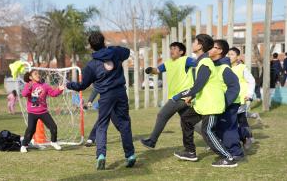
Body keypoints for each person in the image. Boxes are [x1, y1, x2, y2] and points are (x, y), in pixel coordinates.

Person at [66, 31, 136, 170]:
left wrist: (68, 85)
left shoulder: (91, 65)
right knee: (124, 124)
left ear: (91, 46)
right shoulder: (115, 52)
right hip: (121, 93)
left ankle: (101, 156)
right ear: (104, 41)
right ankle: (130, 155)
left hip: (106, 96)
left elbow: (82, 85)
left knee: (102, 126)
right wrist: (113, 49)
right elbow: (127, 52)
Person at [173, 34, 237, 167]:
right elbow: (200, 85)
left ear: (200, 46)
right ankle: (190, 152)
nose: (192, 44)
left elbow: (198, 85)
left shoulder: (205, 62)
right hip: (203, 104)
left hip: (211, 104)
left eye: (195, 42)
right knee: (186, 119)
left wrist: (181, 95)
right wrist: (192, 96)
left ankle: (228, 158)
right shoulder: (201, 61)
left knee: (207, 131)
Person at [140, 42, 195, 149]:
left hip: (182, 96)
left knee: (162, 115)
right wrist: (150, 70)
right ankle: (215, 138)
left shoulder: (186, 60)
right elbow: (157, 70)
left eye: (175, 48)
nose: (172, 50)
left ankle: (152, 141)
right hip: (176, 97)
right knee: (191, 122)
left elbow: (199, 64)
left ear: (181, 52)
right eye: (171, 48)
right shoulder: (168, 63)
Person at [209, 40, 244, 161]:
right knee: (219, 127)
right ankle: (229, 148)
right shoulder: (214, 66)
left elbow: (234, 87)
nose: (210, 49)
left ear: (220, 51)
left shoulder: (224, 68)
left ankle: (236, 153)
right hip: (219, 103)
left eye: (213, 47)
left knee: (228, 128)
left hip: (229, 103)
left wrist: (225, 103)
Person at [20, 69, 65, 153]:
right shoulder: (28, 85)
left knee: (53, 127)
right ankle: (24, 145)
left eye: (38, 74)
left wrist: (59, 89)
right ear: (31, 77)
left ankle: (54, 142)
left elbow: (53, 93)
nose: (38, 75)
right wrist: (29, 87)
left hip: (43, 112)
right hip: (32, 113)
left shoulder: (45, 85)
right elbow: (24, 94)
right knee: (31, 129)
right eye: (35, 74)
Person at [228, 47, 256, 149]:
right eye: (228, 54)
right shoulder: (226, 67)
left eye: (232, 54)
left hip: (240, 99)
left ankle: (246, 138)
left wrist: (249, 94)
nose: (229, 56)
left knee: (241, 120)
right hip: (228, 99)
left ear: (238, 57)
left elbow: (252, 81)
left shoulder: (242, 68)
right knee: (232, 121)